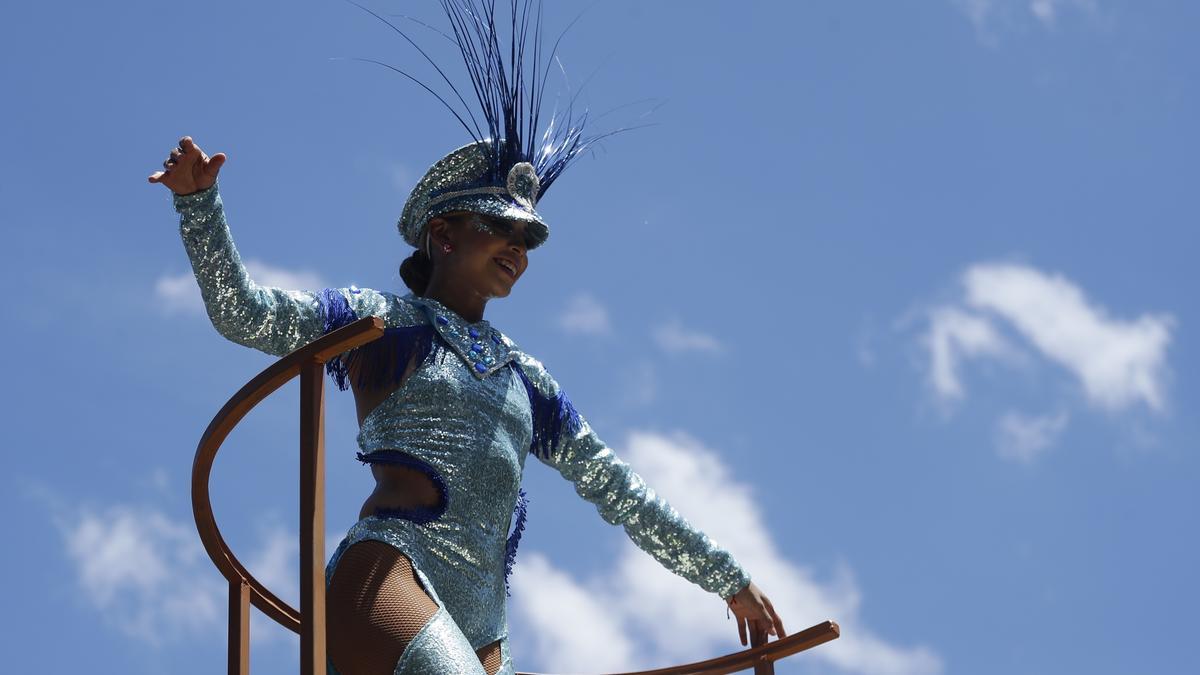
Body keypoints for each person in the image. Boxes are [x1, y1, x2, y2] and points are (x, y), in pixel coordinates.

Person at [149, 6, 785, 674]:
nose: (518, 250)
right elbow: (245, 315)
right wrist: (199, 207)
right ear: (445, 233)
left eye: (527, 241)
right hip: (388, 582)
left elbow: (618, 488)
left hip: (483, 630)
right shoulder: (387, 324)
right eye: (500, 230)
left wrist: (728, 576)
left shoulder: (526, 380)